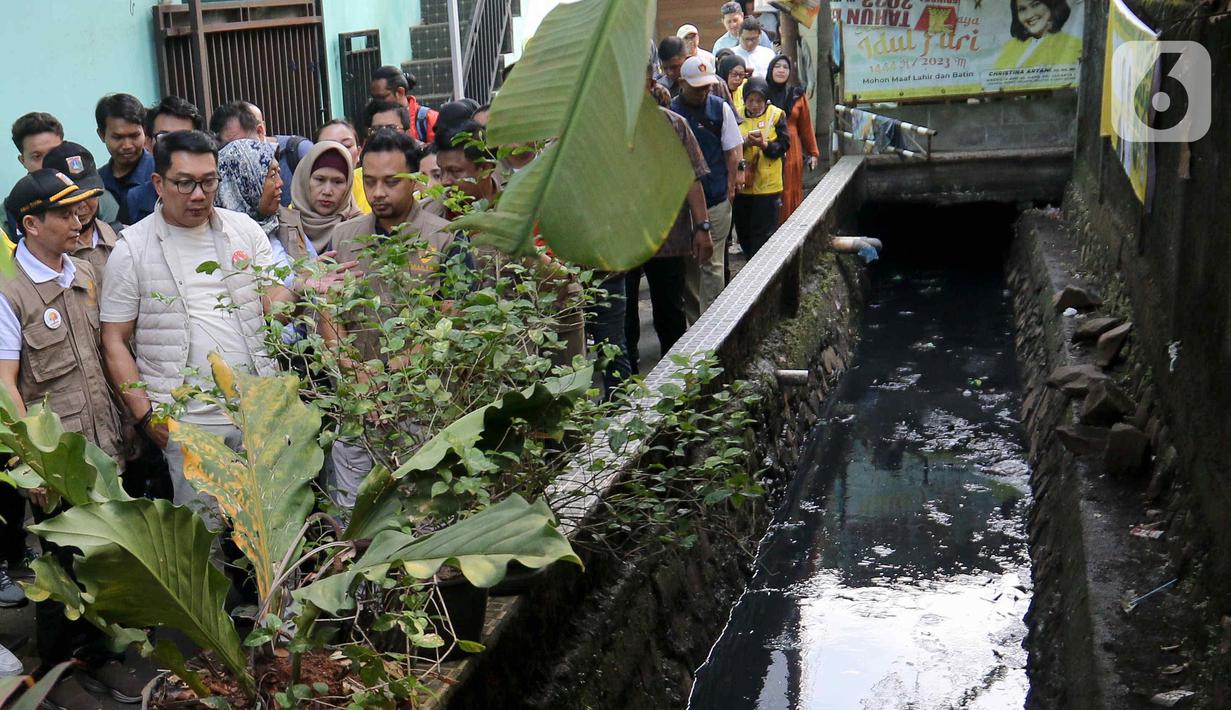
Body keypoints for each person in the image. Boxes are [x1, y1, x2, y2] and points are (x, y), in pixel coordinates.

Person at [99, 130, 302, 512]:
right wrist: (146, 416)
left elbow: (269, 310)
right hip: (188, 423)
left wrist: (303, 286)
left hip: (257, 412)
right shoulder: (133, 249)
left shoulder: (243, 229)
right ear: (158, 183)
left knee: (272, 529)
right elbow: (114, 339)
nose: (198, 194)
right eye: (185, 183)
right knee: (205, 542)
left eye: (209, 181)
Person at [1, 168, 142, 707]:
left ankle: (102, 656)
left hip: (104, 445)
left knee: (105, 558)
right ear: (30, 224)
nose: (77, 218)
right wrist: (33, 463)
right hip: (58, 459)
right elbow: (5, 385)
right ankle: (62, 671)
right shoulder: (10, 294)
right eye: (63, 213)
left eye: (78, 208)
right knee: (60, 569)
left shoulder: (82, 272)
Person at [322, 128, 457, 508]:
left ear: (414, 181)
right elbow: (329, 311)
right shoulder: (344, 236)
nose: (378, 192)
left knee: (422, 512)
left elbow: (447, 324)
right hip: (357, 400)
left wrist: (389, 374)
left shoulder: (443, 238)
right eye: (371, 180)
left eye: (391, 182)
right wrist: (350, 368)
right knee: (354, 513)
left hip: (420, 403)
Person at [625, 62, 714, 378]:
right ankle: (625, 385)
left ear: (649, 84)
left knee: (669, 313)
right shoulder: (605, 132)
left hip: (669, 236)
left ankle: (674, 382)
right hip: (621, 240)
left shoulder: (674, 125)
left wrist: (702, 227)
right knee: (623, 317)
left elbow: (692, 178)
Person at [670, 56, 744, 323]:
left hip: (715, 200)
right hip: (681, 206)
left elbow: (732, 153)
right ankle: (695, 324)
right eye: (697, 87)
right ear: (682, 83)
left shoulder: (720, 109)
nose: (703, 92)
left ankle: (713, 322)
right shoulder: (672, 113)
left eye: (707, 87)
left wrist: (729, 190)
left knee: (712, 265)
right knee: (690, 268)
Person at [209, 101, 312, 206]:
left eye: (242, 146)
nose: (235, 155)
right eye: (228, 148)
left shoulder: (299, 152)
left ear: (260, 132)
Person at [41, 142, 120, 280]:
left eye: (89, 194)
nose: (82, 205)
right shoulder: (44, 255)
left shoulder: (124, 240)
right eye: (72, 197)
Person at [733, 77, 789, 259]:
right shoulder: (737, 115)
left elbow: (783, 146)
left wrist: (765, 145)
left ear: (766, 100)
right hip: (744, 186)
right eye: (751, 100)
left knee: (764, 234)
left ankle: (760, 270)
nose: (755, 105)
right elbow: (728, 146)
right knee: (744, 231)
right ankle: (750, 262)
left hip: (768, 185)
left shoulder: (777, 115)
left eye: (759, 101)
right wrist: (745, 142)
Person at [128, 96, 205, 223]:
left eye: (184, 137)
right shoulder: (135, 198)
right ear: (147, 143)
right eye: (165, 137)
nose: (175, 147)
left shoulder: (215, 190)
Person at [766, 55, 820, 223]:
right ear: (770, 69)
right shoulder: (761, 92)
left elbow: (806, 126)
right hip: (767, 146)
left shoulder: (796, 95)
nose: (781, 70)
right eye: (777, 66)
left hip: (792, 149)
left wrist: (813, 153)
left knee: (790, 187)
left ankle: (788, 227)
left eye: (785, 67)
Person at [285, 141, 363, 254]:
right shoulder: (284, 226)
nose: (327, 191)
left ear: (348, 185)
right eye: (320, 180)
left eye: (338, 182)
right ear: (305, 179)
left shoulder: (361, 229)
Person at [95, 93, 152, 225]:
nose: (127, 145)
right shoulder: (97, 183)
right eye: (118, 137)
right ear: (102, 135)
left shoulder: (161, 175)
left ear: (144, 131)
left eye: (134, 136)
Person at [993, 0, 1082, 69]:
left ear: (1051, 5)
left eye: (1036, 4)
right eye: (1022, 9)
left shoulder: (1074, 45)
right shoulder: (1010, 47)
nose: (1030, 15)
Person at [370, 65, 439, 143]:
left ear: (400, 92)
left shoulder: (429, 120)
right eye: (374, 98)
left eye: (382, 97)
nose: (377, 102)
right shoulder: (371, 120)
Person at [316, 119, 369, 213]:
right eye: (329, 146)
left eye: (346, 146)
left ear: (358, 153)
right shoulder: (301, 199)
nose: (339, 152)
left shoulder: (371, 180)